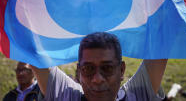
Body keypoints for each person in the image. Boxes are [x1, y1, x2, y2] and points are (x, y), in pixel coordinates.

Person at [31, 32, 168, 101]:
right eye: (88, 69)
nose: (97, 79)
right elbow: (31, 47)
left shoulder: (135, 96)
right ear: (79, 72)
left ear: (121, 70)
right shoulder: (68, 96)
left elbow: (162, 36)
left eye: (107, 68)